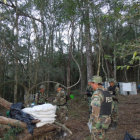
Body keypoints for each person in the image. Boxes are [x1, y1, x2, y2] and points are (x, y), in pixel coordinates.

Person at [89, 75, 112, 140]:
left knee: (96, 137)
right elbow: (111, 106)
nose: (91, 85)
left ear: (95, 83)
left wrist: (94, 123)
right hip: (106, 120)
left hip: (98, 121)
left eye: (92, 83)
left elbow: (95, 110)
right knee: (102, 135)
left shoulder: (97, 94)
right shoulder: (107, 92)